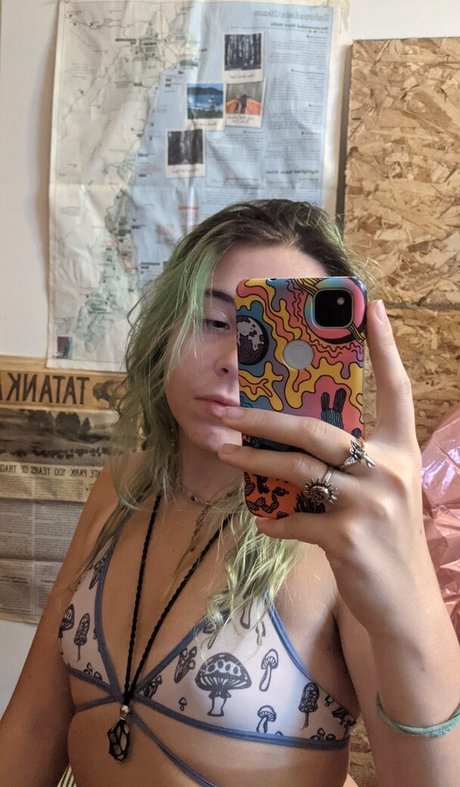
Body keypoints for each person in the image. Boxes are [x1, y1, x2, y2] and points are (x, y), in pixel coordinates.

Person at [0, 200, 459, 787]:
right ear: (166, 328)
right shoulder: (120, 488)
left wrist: (409, 600)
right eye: (215, 322)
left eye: (275, 334)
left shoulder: (339, 536)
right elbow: (34, 726)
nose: (236, 362)